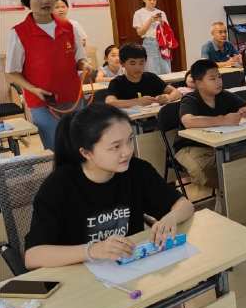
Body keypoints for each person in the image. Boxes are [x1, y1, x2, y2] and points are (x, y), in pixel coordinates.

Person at [24, 103, 194, 269]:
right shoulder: (58, 187)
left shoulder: (137, 170)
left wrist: (170, 218)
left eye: (130, 140)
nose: (127, 151)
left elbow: (184, 205)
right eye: (116, 146)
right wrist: (93, 250)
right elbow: (32, 256)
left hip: (128, 269)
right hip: (78, 274)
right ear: (86, 152)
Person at [6, 0, 94, 151]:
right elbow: (12, 73)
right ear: (27, 2)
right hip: (43, 102)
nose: (45, 1)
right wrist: (34, 90)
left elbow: (79, 59)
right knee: (56, 148)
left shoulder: (68, 27)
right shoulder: (19, 33)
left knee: (80, 147)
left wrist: (85, 65)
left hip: (73, 98)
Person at [173, 60, 246, 209]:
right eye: (212, 79)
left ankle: (228, 194)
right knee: (200, 170)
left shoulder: (224, 95)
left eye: (219, 77)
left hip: (219, 146)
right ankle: (226, 190)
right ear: (199, 83)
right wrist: (222, 120)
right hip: (190, 148)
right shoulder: (190, 99)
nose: (219, 82)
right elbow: (188, 121)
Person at [105, 43, 181, 109]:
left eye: (141, 63)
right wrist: (137, 101)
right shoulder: (117, 82)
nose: (137, 67)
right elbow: (109, 103)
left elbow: (177, 92)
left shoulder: (151, 78)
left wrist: (168, 98)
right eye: (132, 63)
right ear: (122, 63)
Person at [132, 0, 171, 75]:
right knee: (151, 70)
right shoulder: (139, 13)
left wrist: (161, 21)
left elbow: (167, 30)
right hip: (149, 42)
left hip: (162, 42)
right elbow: (140, 32)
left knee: (166, 69)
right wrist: (150, 21)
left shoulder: (161, 12)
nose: (152, 2)